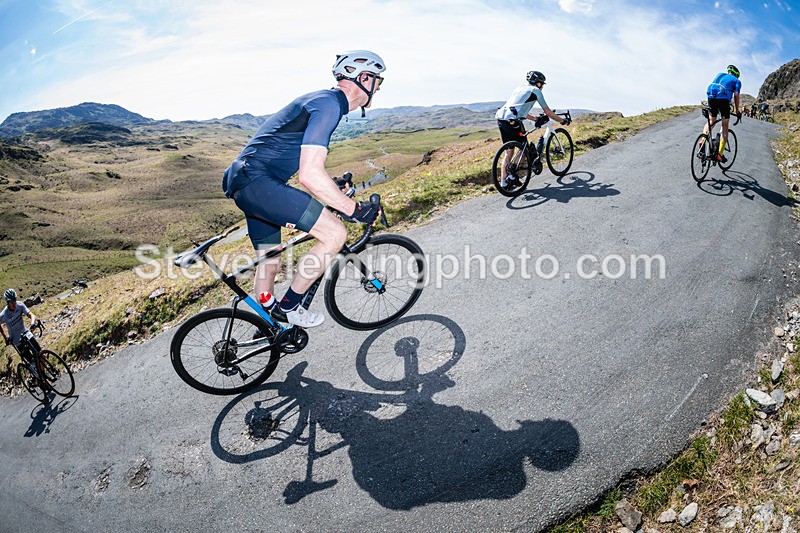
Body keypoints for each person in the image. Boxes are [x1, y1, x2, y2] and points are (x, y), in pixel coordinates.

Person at [221, 50, 386, 328]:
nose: (379, 88)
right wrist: (355, 210)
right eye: (378, 81)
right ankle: (289, 308)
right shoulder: (330, 105)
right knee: (335, 233)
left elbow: (298, 161)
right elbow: (309, 176)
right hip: (258, 181)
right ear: (364, 78)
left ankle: (270, 324)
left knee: (270, 260)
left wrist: (330, 185)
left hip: (245, 182)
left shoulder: (322, 100)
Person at [495, 70, 570, 187]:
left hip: (502, 119)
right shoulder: (536, 91)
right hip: (513, 121)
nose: (543, 86)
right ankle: (512, 175)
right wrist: (562, 121)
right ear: (538, 83)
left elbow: (518, 108)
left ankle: (503, 182)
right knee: (524, 151)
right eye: (543, 84)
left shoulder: (520, 88)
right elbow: (548, 112)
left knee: (508, 153)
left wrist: (534, 118)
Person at [703, 64, 741, 163]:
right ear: (736, 75)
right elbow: (736, 95)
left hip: (711, 97)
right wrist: (737, 111)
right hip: (723, 100)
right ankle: (719, 154)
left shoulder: (719, 74)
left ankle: (702, 141)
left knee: (712, 121)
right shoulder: (736, 81)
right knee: (725, 125)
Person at [0, 289, 39, 359]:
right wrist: (5, 337)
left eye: (14, 300)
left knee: (41, 355)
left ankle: (42, 370)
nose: (14, 303)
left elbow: (32, 315)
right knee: (32, 362)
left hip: (26, 334)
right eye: (11, 302)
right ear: (8, 303)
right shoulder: (4, 314)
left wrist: (33, 323)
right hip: (17, 341)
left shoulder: (20, 305)